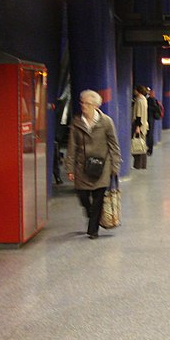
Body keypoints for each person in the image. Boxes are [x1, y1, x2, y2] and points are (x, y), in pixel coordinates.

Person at [65, 90, 121, 239]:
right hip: (82, 166)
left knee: (98, 198)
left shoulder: (106, 122)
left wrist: (115, 165)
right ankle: (92, 215)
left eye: (87, 103)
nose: (84, 106)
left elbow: (114, 145)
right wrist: (69, 168)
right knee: (82, 195)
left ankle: (93, 230)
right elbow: (72, 147)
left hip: (102, 166)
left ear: (96, 106)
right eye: (82, 102)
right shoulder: (77, 122)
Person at [131, 85, 149, 169]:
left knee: (137, 144)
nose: (134, 91)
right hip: (144, 125)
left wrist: (137, 127)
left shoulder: (139, 101)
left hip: (139, 125)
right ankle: (143, 164)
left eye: (135, 90)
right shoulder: (144, 100)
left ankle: (137, 165)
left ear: (138, 91)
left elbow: (138, 115)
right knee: (142, 145)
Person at [146, 87, 162, 155]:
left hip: (150, 118)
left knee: (150, 134)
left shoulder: (151, 99)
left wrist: (147, 107)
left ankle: (150, 149)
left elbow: (155, 108)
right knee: (149, 134)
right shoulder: (148, 99)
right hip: (149, 118)